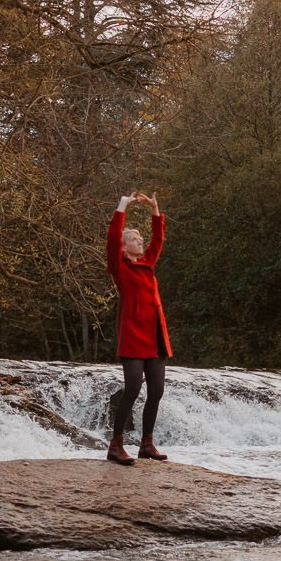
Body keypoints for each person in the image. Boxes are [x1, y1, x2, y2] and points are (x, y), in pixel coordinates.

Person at [105, 190, 172, 466]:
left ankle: (147, 444)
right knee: (132, 388)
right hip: (133, 337)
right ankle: (116, 445)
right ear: (123, 246)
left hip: (155, 336)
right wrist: (122, 206)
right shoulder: (119, 267)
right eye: (134, 239)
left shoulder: (147, 264)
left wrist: (155, 209)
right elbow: (111, 238)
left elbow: (158, 239)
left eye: (140, 239)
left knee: (156, 391)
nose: (140, 242)